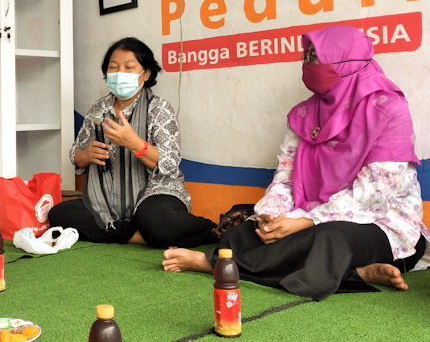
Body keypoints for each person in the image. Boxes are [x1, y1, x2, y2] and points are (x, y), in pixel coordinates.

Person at [162, 26, 429, 300]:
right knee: (247, 233)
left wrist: (306, 222)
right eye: (306, 56)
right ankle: (356, 274)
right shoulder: (304, 114)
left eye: (315, 57)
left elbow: (373, 194)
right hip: (308, 213)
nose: (307, 64)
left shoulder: (388, 108)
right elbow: (286, 178)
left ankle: (214, 264)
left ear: (345, 61)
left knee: (328, 240)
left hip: (378, 219)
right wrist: (271, 215)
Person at [48, 37, 217, 248]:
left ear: (146, 73)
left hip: (155, 192)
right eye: (113, 67)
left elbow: (169, 163)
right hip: (105, 197)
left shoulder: (159, 108)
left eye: (129, 67)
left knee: (157, 221)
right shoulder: (98, 110)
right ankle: (138, 235)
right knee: (59, 214)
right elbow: (77, 157)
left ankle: (214, 230)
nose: (120, 73)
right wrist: (87, 155)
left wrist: (134, 143)